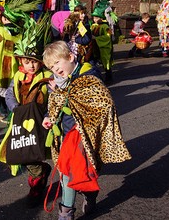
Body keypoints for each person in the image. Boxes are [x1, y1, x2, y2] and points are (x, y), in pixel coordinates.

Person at [41, 41, 131, 219]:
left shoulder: (89, 75)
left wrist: (60, 93)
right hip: (67, 135)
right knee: (67, 172)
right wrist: (48, 116)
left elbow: (103, 102)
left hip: (85, 135)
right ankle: (66, 212)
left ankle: (89, 195)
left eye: (58, 62)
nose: (55, 69)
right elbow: (57, 102)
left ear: (70, 57)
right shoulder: (60, 81)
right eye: (51, 66)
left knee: (84, 171)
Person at [0, 16, 53, 207]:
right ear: (21, 60)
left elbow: (53, 97)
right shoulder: (18, 76)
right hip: (22, 120)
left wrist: (48, 114)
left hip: (42, 121)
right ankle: (37, 179)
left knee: (41, 151)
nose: (32, 65)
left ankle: (43, 179)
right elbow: (10, 94)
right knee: (25, 153)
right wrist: (14, 108)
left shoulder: (47, 77)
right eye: (28, 61)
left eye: (35, 62)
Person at [91, 0, 117, 84]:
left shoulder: (105, 26)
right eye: (94, 17)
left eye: (97, 17)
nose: (95, 19)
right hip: (97, 46)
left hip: (104, 47)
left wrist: (96, 39)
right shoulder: (93, 25)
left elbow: (107, 37)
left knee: (106, 61)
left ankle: (109, 76)